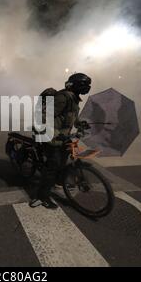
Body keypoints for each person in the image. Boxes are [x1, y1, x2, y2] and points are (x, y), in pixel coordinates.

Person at [30, 73, 92, 209]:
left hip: (63, 137)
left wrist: (81, 124)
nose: (86, 88)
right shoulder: (62, 98)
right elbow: (44, 117)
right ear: (74, 85)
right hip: (51, 136)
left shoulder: (74, 99)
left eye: (87, 85)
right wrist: (57, 134)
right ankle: (41, 197)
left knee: (63, 161)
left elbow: (72, 117)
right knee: (52, 166)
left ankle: (58, 182)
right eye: (84, 85)